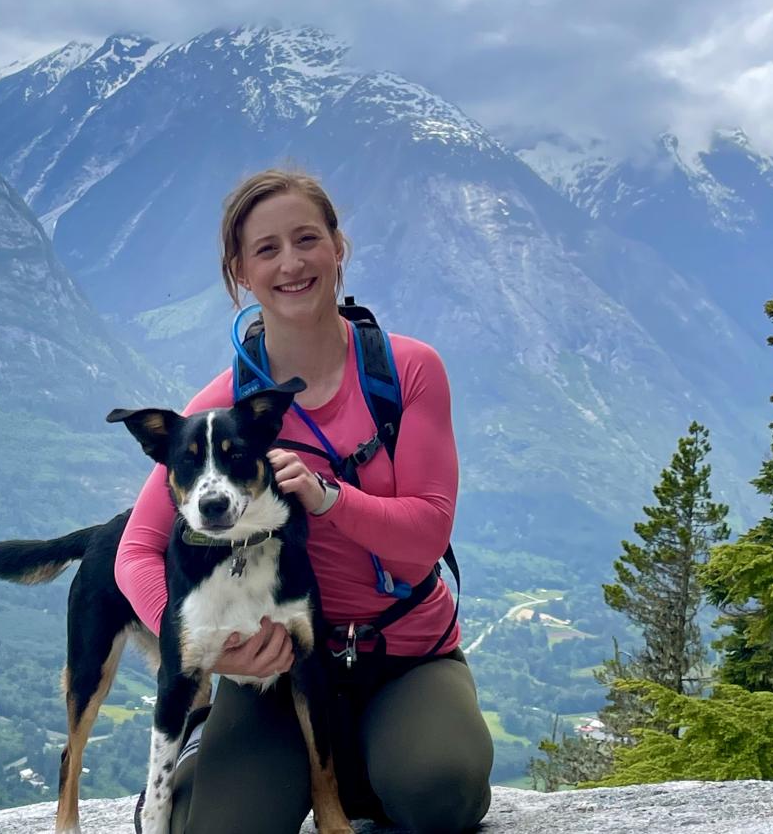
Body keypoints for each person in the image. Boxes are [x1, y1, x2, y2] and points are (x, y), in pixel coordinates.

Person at [114, 169, 493, 834]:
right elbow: (136, 553)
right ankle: (211, 746)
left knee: (441, 792)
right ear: (240, 273)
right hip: (276, 671)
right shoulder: (220, 416)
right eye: (266, 250)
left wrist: (327, 498)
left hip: (405, 654)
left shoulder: (405, 372)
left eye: (307, 239)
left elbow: (427, 538)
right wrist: (209, 656)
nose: (291, 263)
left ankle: (372, 768)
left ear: (338, 247)